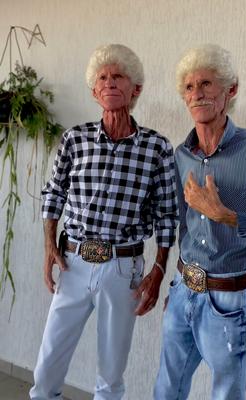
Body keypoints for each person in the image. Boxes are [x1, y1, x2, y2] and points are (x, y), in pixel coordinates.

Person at [29, 44, 177, 400]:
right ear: (94, 91)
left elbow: (168, 214)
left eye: (118, 77)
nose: (109, 83)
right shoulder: (74, 139)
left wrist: (158, 270)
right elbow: (53, 193)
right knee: (48, 363)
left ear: (135, 88)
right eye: (102, 78)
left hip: (122, 268)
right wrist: (50, 245)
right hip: (74, 263)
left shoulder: (157, 148)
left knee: (111, 372)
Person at [154, 44, 246, 400]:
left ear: (230, 90)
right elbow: (184, 224)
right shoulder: (182, 155)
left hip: (229, 304)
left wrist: (226, 215)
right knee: (165, 391)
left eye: (206, 83)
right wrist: (177, 281)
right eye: (188, 87)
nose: (196, 93)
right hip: (183, 291)